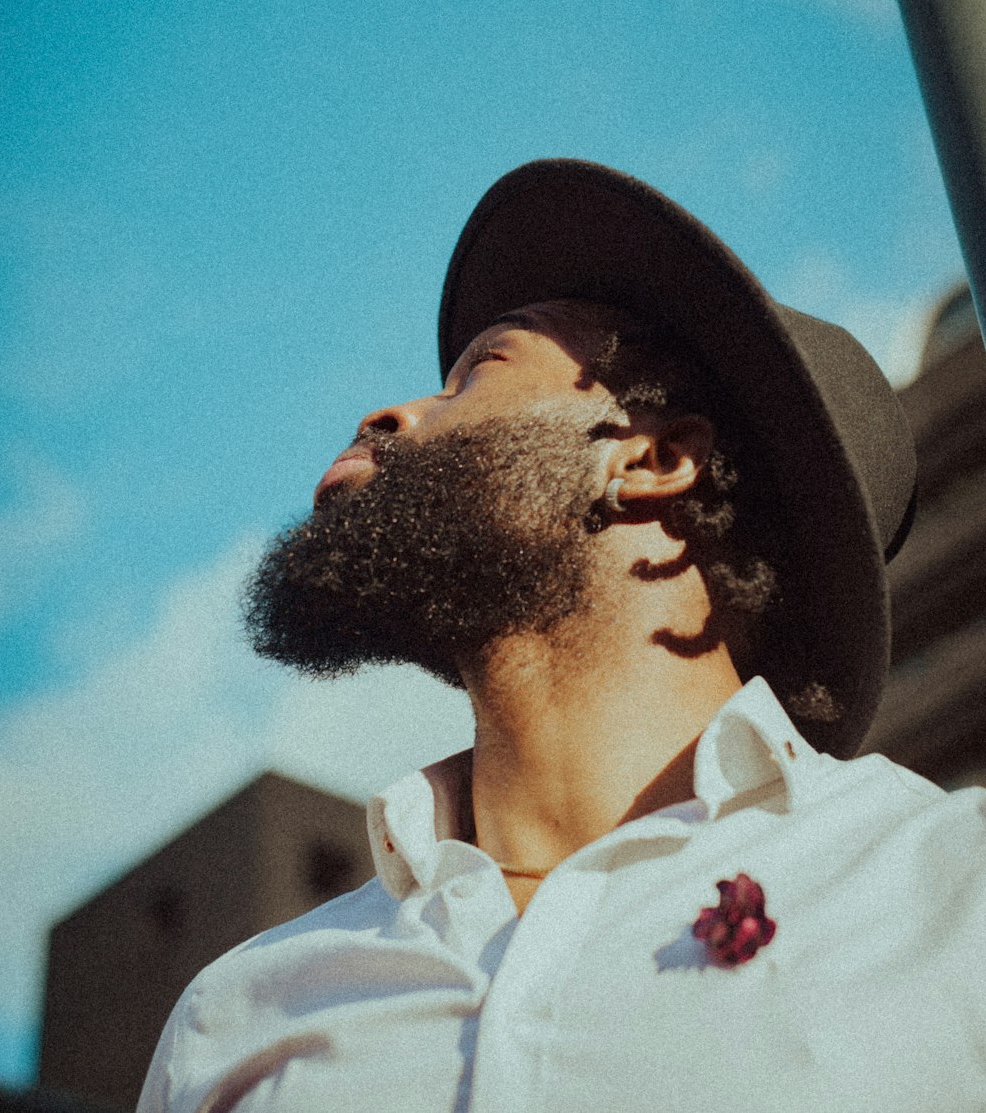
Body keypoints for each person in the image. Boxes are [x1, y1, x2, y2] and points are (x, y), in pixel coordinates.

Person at [137, 159, 986, 1113]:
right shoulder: (236, 1015)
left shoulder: (947, 890)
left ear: (656, 459)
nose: (389, 412)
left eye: (478, 372)